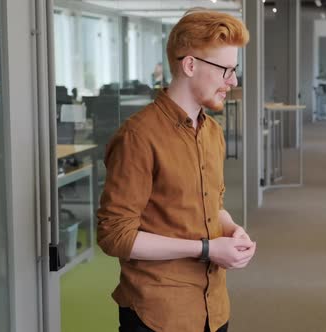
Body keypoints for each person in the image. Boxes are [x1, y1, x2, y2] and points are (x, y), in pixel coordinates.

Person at [97, 9, 256, 332]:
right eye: (226, 70)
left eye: (234, 70)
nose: (233, 81)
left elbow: (214, 205)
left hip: (213, 309)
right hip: (158, 314)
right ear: (190, 64)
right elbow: (115, 235)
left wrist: (232, 230)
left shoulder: (213, 132)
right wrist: (207, 249)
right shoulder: (138, 136)